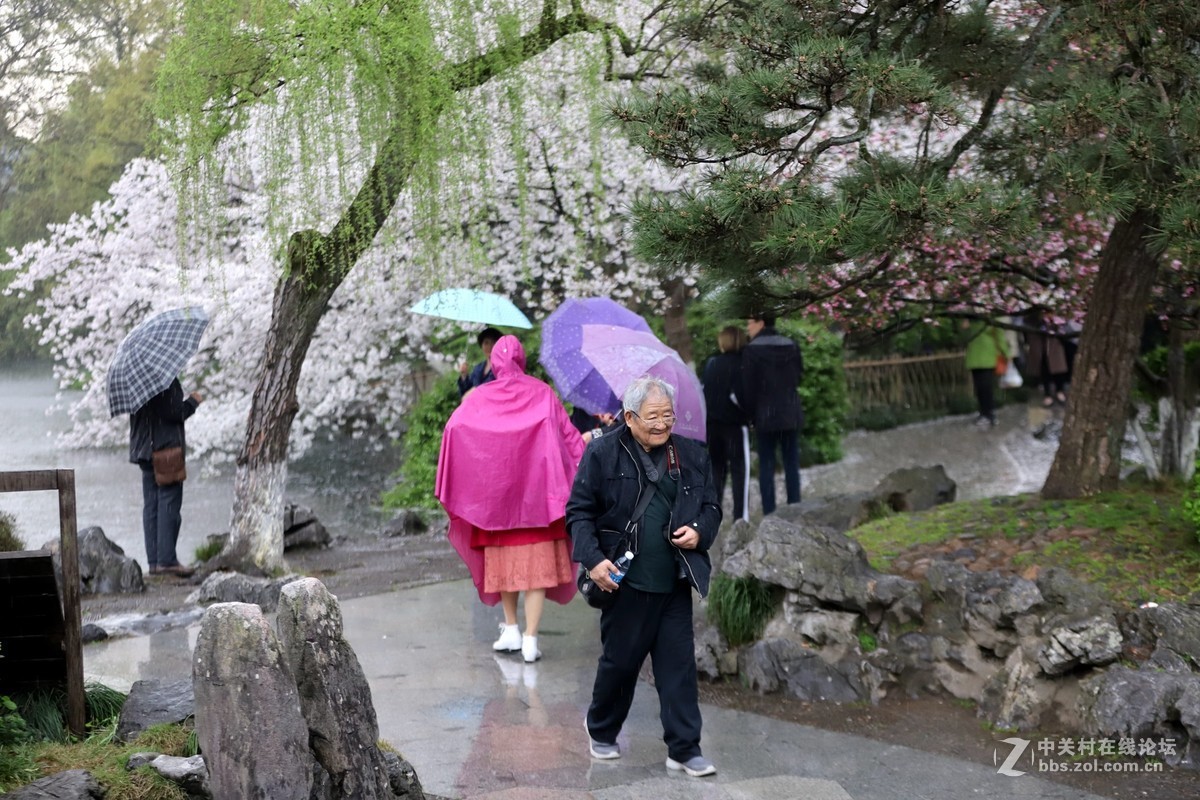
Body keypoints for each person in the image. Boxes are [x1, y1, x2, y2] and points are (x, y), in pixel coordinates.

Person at [566, 375, 722, 778]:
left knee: (678, 668)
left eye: (668, 416)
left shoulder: (691, 454)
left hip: (673, 579)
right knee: (620, 665)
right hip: (624, 581)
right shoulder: (603, 452)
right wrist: (594, 559)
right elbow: (579, 512)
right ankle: (601, 729)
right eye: (653, 416)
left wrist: (701, 530)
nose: (662, 424)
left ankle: (685, 749)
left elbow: (711, 506)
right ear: (630, 417)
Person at [436, 335, 587, 663]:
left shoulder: (480, 398)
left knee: (504, 569)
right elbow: (569, 437)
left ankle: (512, 629)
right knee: (536, 573)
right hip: (538, 504)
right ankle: (530, 638)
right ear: (521, 360)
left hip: (497, 504)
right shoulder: (543, 393)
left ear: (497, 362)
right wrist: (588, 454)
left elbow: (455, 427)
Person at [128, 378, 202, 576]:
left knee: (151, 506)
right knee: (169, 504)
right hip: (165, 449)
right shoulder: (163, 380)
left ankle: (155, 562)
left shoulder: (134, 382)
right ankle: (167, 561)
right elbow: (174, 412)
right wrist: (193, 402)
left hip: (144, 450)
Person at [741, 313, 804, 515]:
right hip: (790, 412)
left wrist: (750, 415)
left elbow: (748, 388)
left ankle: (770, 513)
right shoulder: (791, 345)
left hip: (764, 414)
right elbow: (798, 376)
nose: (747, 328)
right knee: (791, 463)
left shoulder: (751, 351)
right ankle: (796, 506)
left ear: (760, 323)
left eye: (749, 323)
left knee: (766, 465)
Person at [701, 325, 750, 522]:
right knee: (740, 471)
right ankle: (741, 518)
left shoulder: (712, 364)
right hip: (735, 424)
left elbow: (704, 392)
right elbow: (740, 396)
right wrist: (750, 415)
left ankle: (713, 515)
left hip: (712, 425)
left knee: (716, 471)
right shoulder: (742, 363)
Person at [962, 319, 1009, 427]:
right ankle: (985, 413)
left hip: (986, 358)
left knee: (984, 388)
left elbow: (1000, 337)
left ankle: (988, 414)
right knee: (982, 388)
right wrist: (1006, 353)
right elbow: (1000, 337)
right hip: (979, 358)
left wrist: (1006, 353)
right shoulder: (972, 321)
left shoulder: (991, 320)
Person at [457, 327, 502, 398]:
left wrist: (474, 391)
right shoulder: (478, 368)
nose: (490, 346)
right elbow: (464, 393)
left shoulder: (503, 366)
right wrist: (464, 375)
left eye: (493, 342)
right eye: (486, 343)